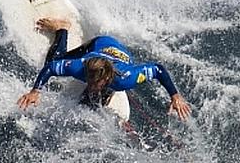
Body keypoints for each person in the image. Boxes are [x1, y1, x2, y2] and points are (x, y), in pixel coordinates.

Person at [17, 18, 192, 120]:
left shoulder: (126, 77)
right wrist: (35, 91)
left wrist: (175, 96)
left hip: (121, 54)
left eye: (96, 83)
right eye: (89, 80)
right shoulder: (80, 67)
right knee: (54, 58)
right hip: (98, 44)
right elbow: (50, 68)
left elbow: (158, 70)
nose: (91, 85)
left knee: (89, 105)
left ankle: (106, 94)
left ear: (107, 78)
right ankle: (62, 28)